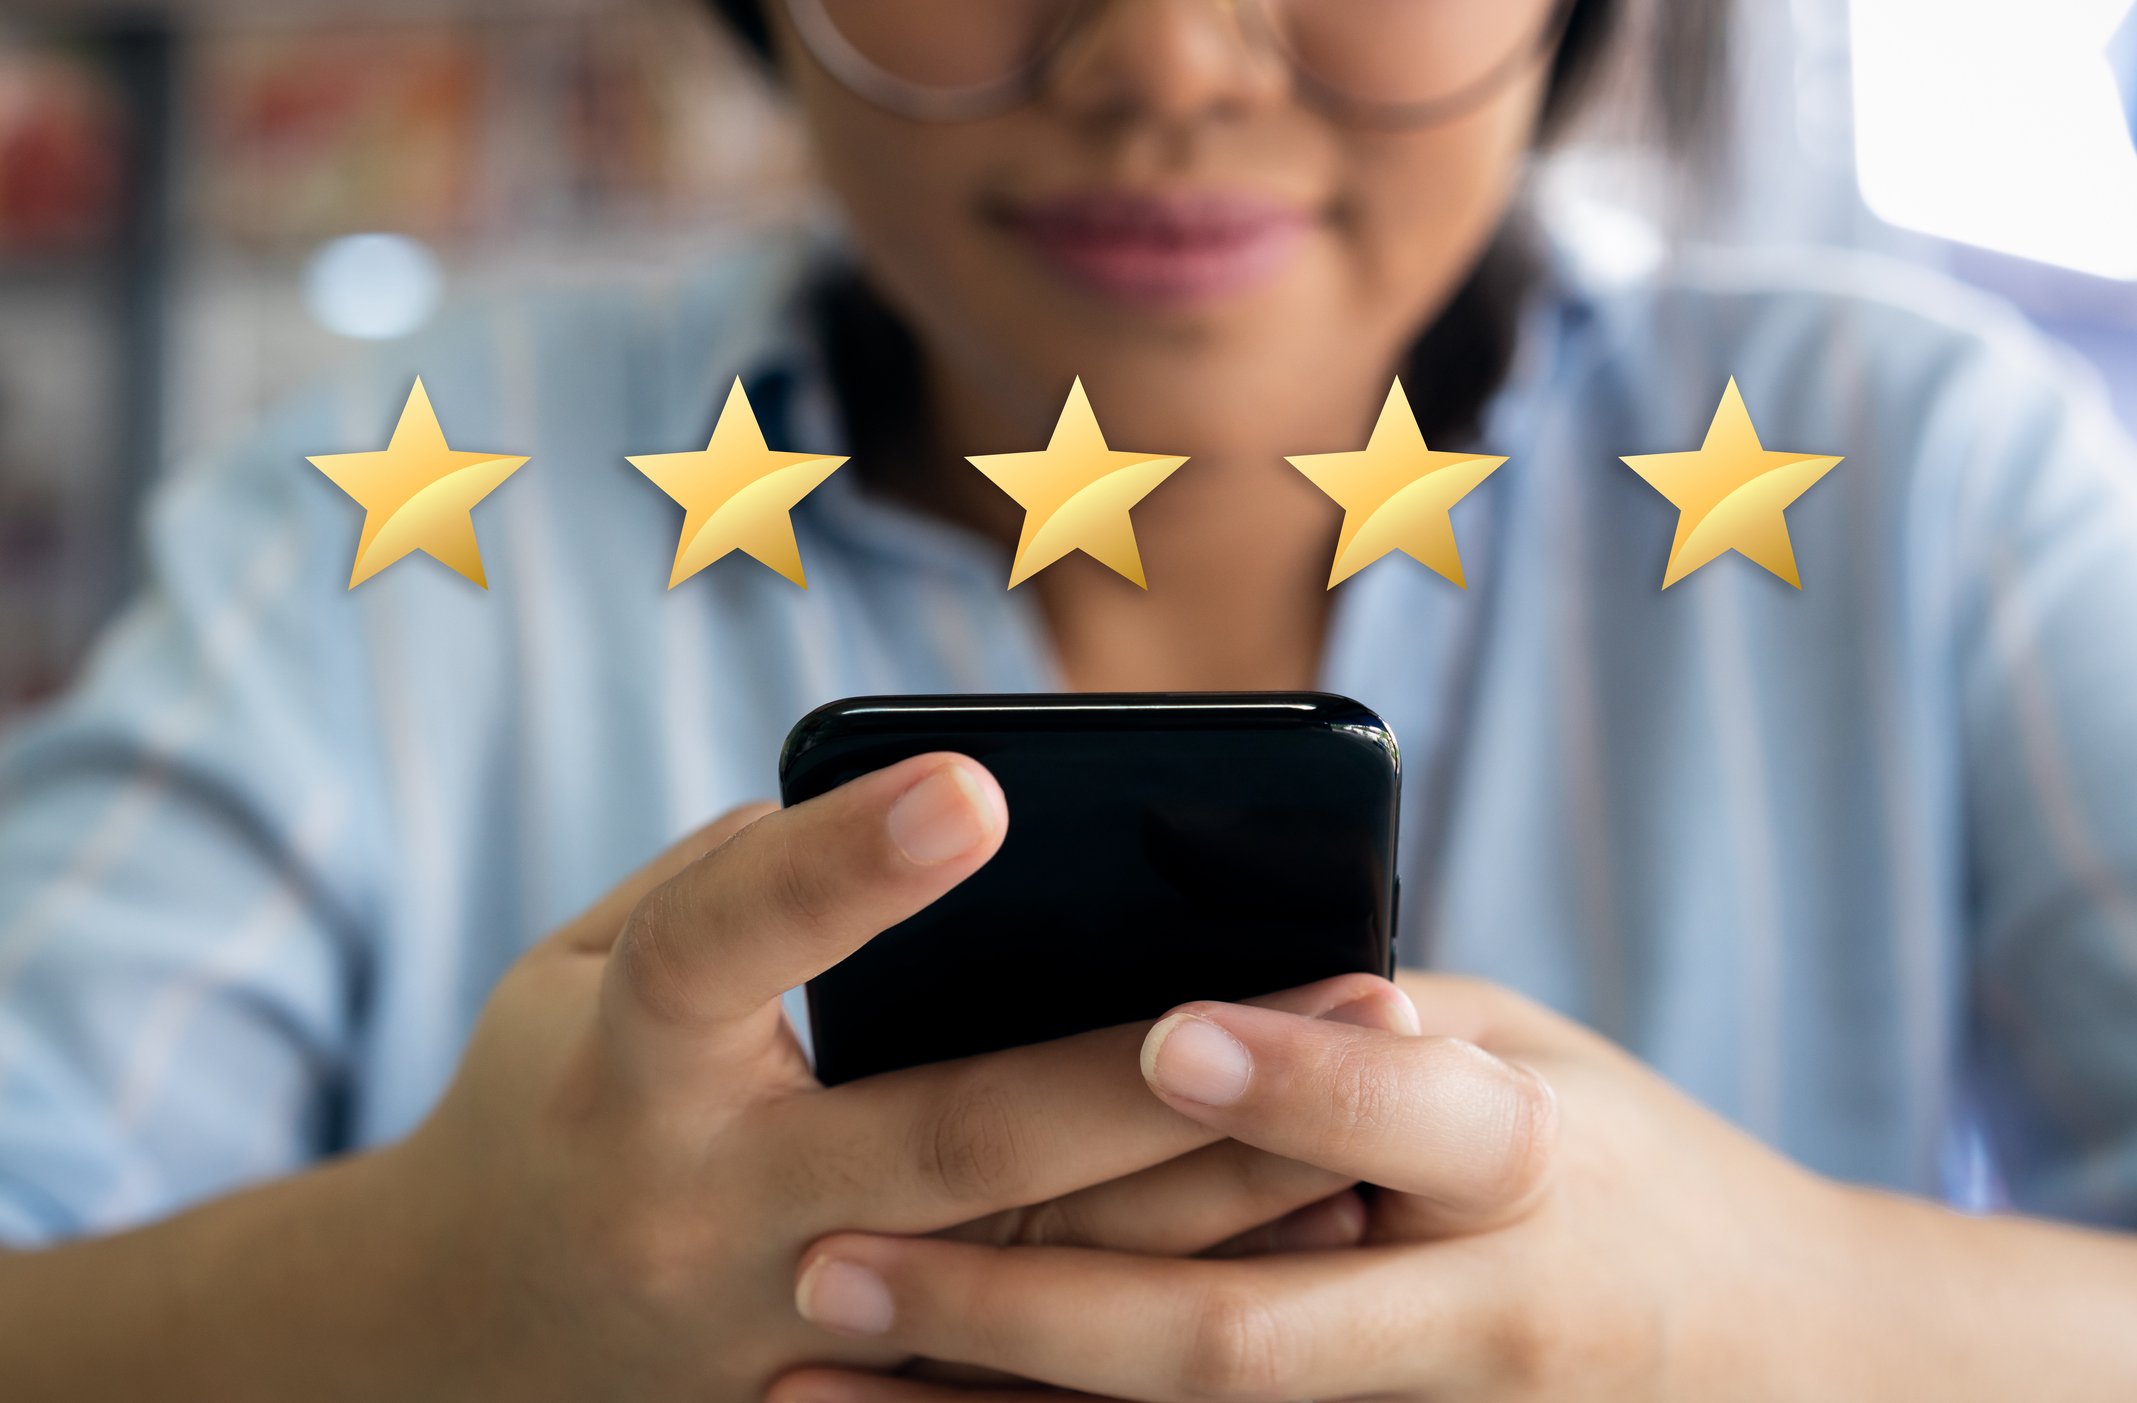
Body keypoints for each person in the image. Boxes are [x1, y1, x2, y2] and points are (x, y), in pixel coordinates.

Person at [2, 0, 2135, 1395]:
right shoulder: (389, 499)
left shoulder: (1918, 465)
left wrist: (1771, 1314)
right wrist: (435, 1295)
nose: (1167, 59)